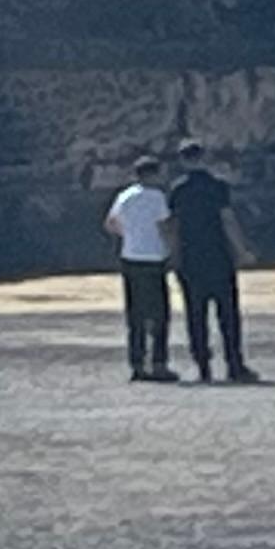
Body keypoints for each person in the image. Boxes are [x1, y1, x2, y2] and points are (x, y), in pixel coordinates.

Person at [161, 142, 258, 384]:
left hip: (191, 258)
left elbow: (173, 226)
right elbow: (227, 220)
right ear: (204, 158)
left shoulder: (178, 190)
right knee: (228, 313)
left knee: (196, 313)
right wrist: (241, 250)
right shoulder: (217, 187)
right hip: (218, 256)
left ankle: (203, 364)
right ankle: (234, 364)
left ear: (183, 160)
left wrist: (173, 256)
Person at [105, 154, 178, 382]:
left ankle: (137, 362)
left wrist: (129, 235)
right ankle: (158, 362)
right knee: (159, 314)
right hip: (154, 257)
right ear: (154, 174)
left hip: (131, 256)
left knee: (136, 313)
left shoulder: (125, 196)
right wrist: (172, 250)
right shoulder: (156, 197)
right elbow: (164, 225)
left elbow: (110, 223)